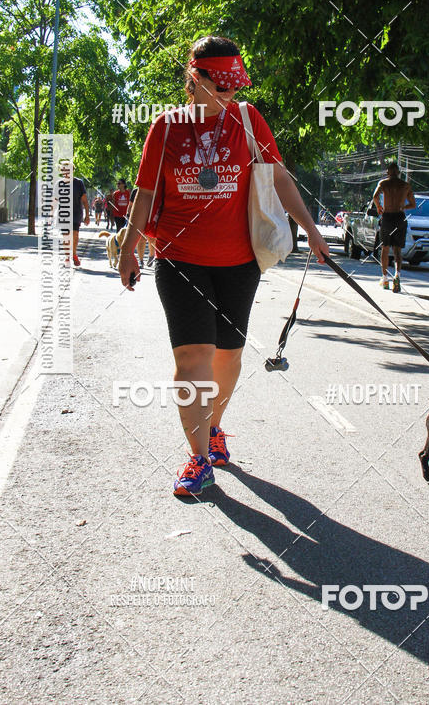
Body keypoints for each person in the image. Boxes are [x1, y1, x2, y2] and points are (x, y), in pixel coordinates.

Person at [118, 35, 329, 497]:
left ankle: (214, 427)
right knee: (192, 356)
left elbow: (279, 177)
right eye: (222, 84)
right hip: (178, 259)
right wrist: (130, 246)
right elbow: (147, 193)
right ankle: (197, 458)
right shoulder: (166, 128)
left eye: (236, 84)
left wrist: (311, 230)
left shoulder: (248, 120)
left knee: (228, 355)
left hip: (238, 261)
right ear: (194, 78)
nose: (230, 93)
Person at [369, 162, 415, 293]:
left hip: (388, 217)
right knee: (397, 250)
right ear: (399, 172)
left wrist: (378, 207)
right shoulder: (405, 185)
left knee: (385, 248)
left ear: (388, 172)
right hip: (400, 217)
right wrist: (403, 207)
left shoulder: (383, 183)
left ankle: (384, 278)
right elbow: (413, 204)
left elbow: (375, 196)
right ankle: (397, 276)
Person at [56, 161, 89, 267]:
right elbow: (55, 200)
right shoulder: (59, 184)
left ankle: (74, 254)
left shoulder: (79, 183)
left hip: (76, 213)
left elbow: (84, 200)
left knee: (74, 235)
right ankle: (67, 257)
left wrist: (87, 215)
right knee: (66, 237)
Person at [126, 187, 156, 268]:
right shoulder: (136, 191)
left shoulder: (155, 189)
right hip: (139, 218)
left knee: (152, 239)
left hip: (151, 218)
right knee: (141, 240)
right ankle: (141, 260)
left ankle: (151, 256)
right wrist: (129, 216)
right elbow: (130, 205)